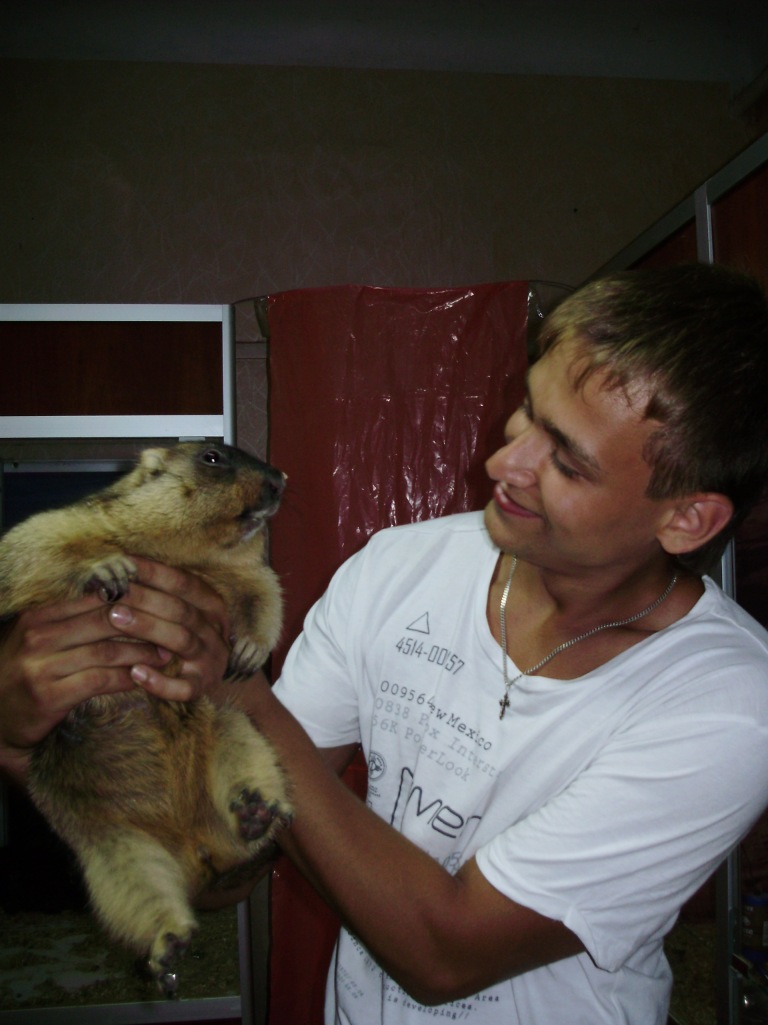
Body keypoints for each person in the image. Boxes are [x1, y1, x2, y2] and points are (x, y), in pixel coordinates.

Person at [3, 262, 768, 1024]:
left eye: (566, 460)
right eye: (526, 411)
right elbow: (230, 866)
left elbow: (445, 955)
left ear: (686, 519)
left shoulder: (728, 703)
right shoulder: (398, 570)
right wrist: (32, 743)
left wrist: (234, 685)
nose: (503, 462)